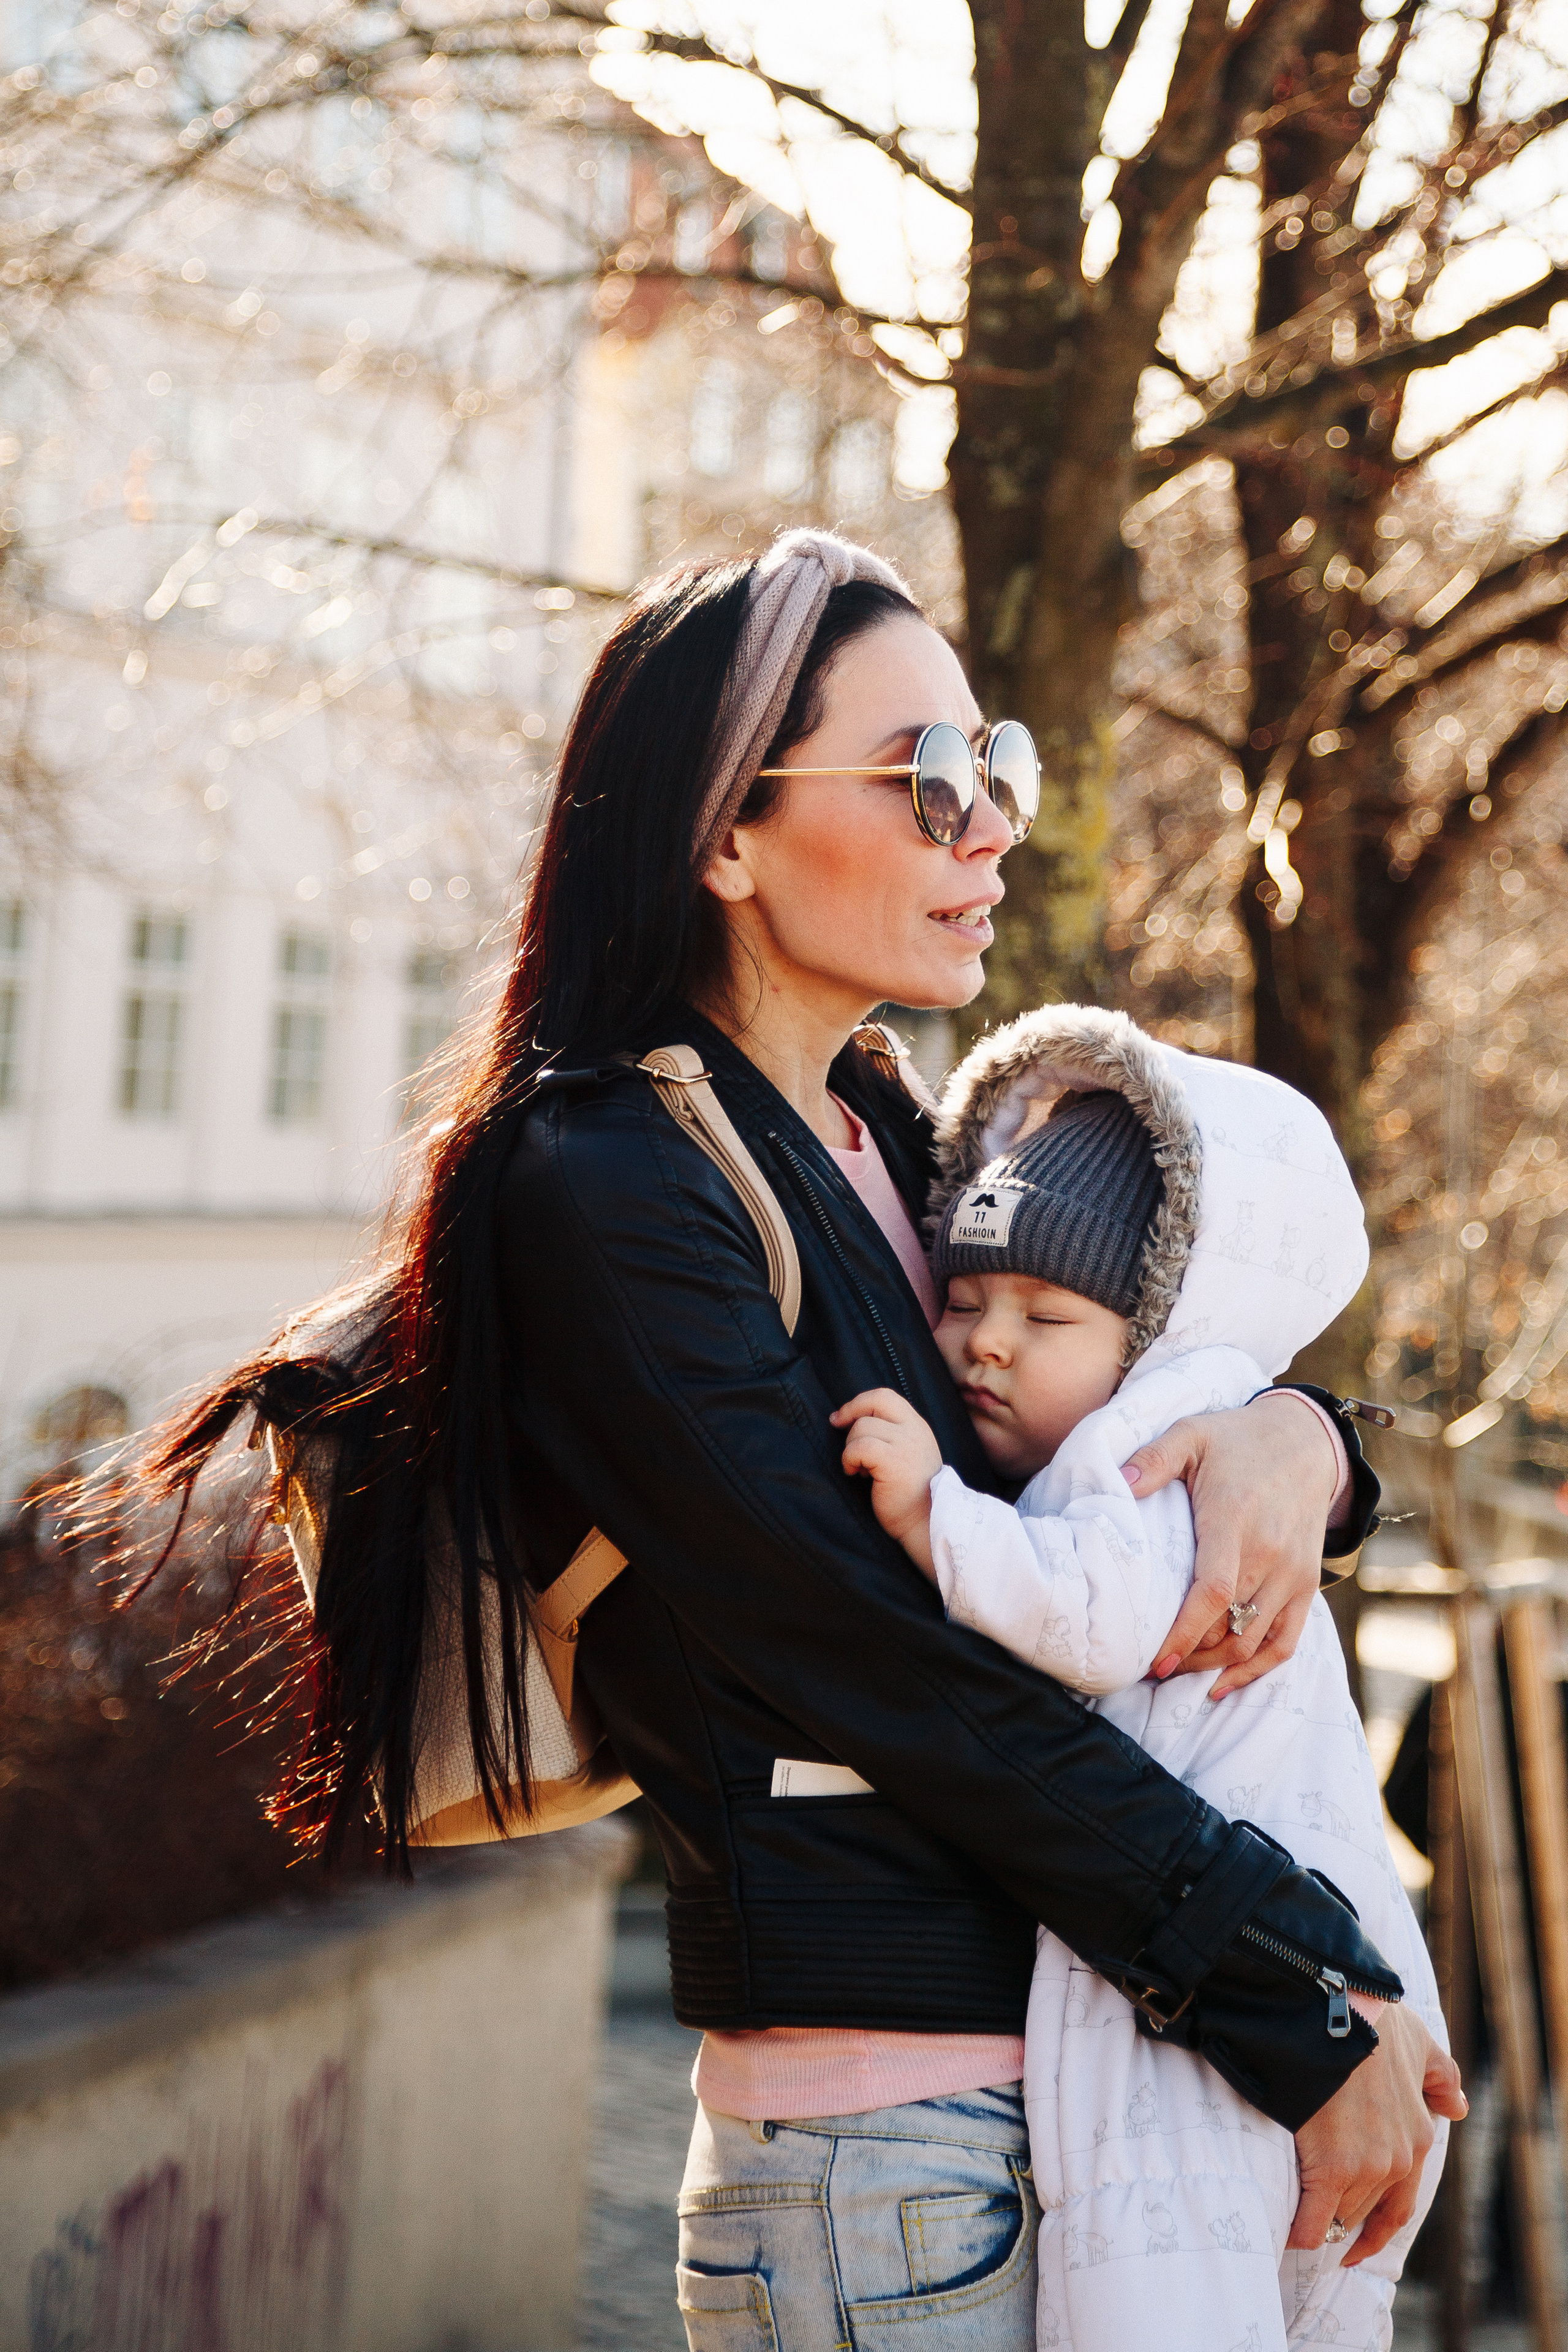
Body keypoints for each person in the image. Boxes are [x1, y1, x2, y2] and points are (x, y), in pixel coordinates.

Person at [142, 529, 1462, 2348]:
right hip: (889, 2169)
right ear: (725, 836)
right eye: (928, 778)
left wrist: (1307, 1442)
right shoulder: (605, 1183)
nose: (986, 824)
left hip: (1072, 2104)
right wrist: (1296, 1997)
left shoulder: (898, 1144)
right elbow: (883, 1659)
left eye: (995, 766)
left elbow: (1136, 1420)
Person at [832, 1002, 1447, 2350]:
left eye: (1043, 1314)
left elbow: (1098, 1624)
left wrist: (936, 1513)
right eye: (962, 1302)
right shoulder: (1154, 1422)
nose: (984, 1341)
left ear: (1146, 1330)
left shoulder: (1143, 1444)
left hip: (1251, 1942)